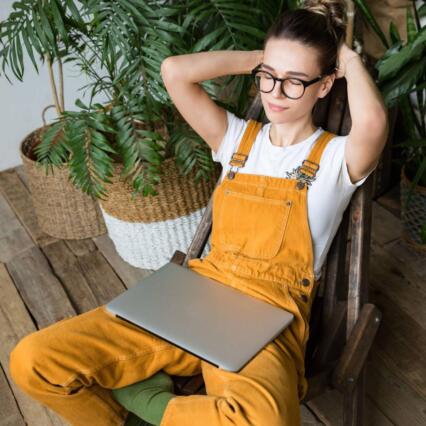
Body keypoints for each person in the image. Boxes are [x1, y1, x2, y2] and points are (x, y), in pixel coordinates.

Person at [9, 1, 388, 425]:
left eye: (295, 82)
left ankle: (149, 408)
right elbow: (174, 70)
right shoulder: (237, 140)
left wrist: (349, 58)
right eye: (268, 78)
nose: (276, 94)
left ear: (325, 85)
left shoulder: (335, 159)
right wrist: (261, 60)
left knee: (263, 418)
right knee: (33, 361)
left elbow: (372, 123)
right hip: (198, 292)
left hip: (268, 313)